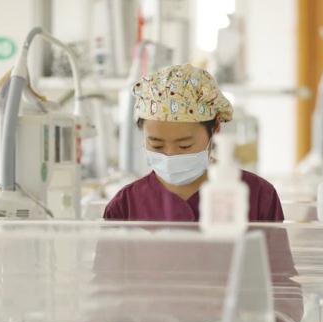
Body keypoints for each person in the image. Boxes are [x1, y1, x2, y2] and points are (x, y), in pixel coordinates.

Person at [103, 64, 284, 222]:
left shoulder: (259, 196)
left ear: (215, 128)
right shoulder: (125, 206)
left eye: (185, 146)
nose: (170, 155)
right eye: (157, 145)